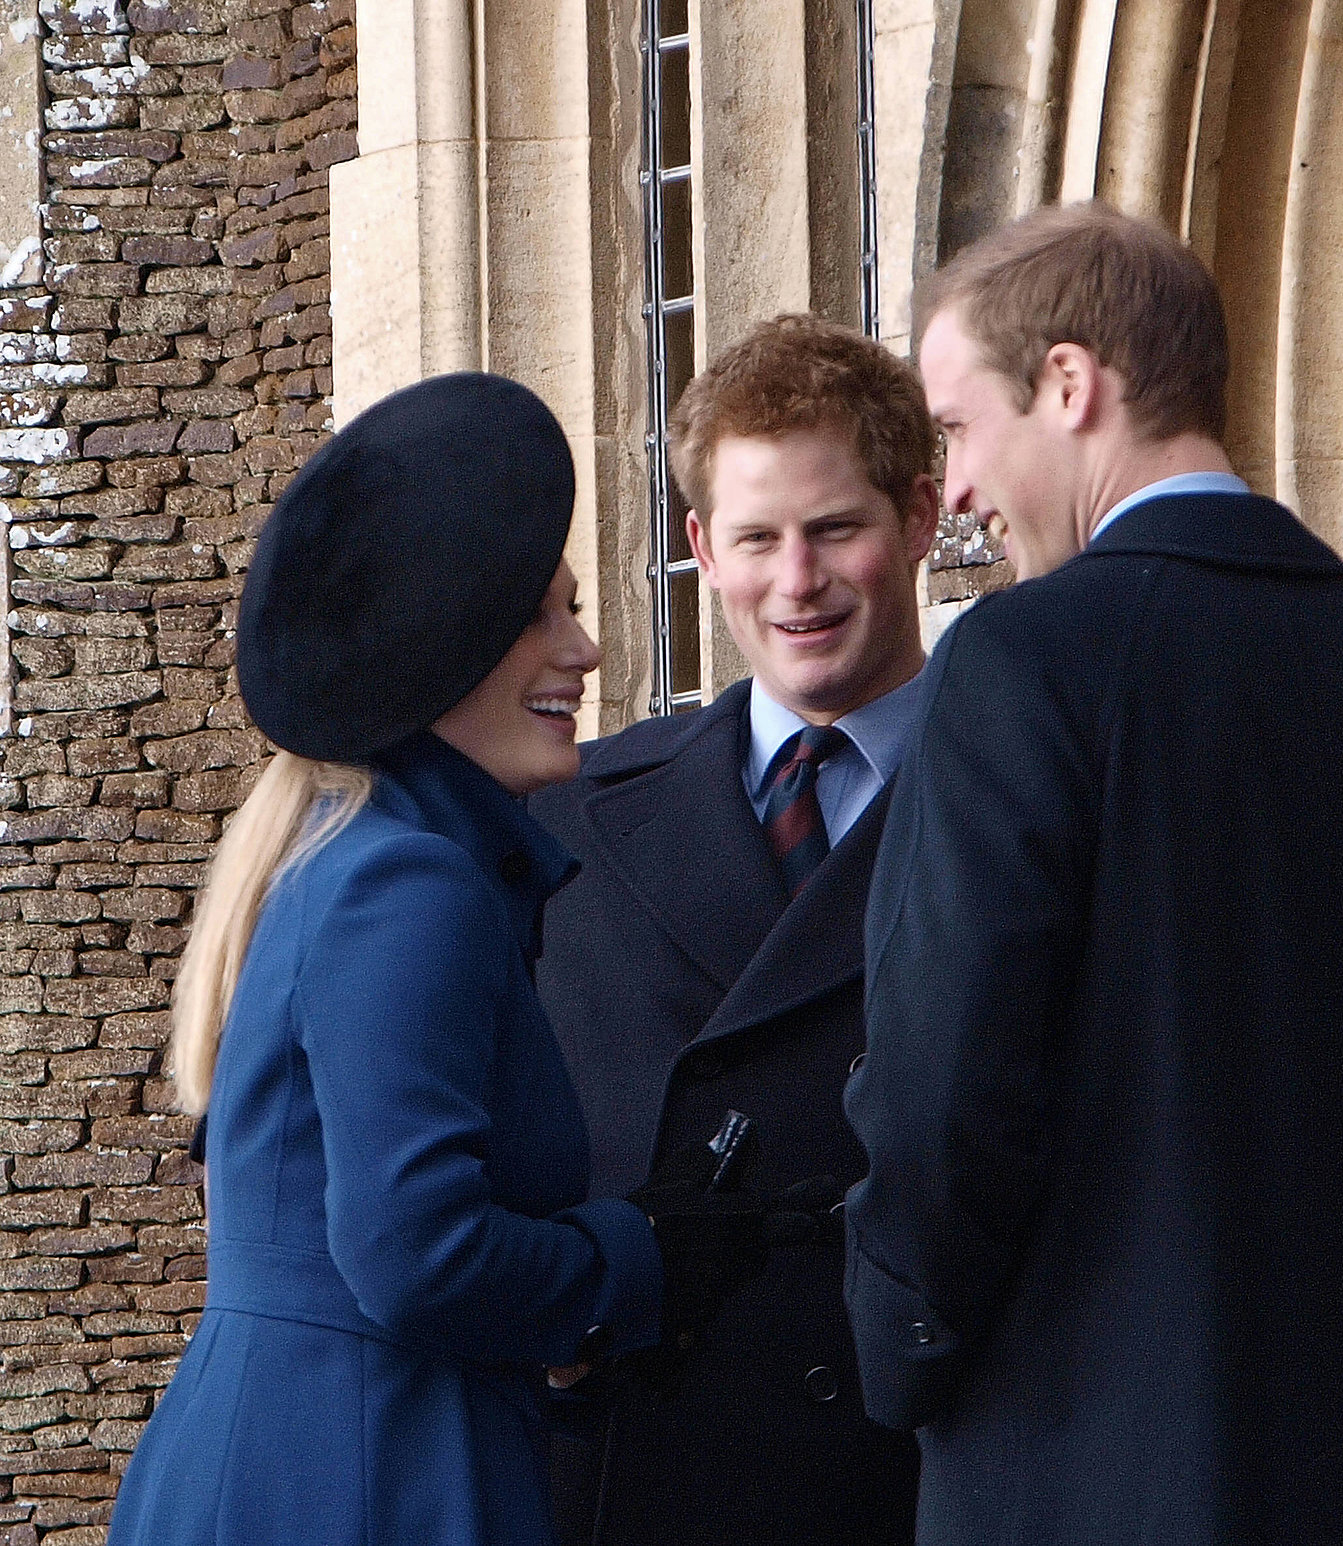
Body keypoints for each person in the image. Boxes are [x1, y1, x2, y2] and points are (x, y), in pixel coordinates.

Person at [842, 203, 1343, 1545]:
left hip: (1070, 1472)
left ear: (1071, 384)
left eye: (959, 429)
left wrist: (907, 1353)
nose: (952, 489)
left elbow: (943, 1090)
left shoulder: (1023, 664)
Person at [109, 374, 693, 1546]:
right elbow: (415, 1254)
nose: (582, 649)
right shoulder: (408, 882)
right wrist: (641, 1254)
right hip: (361, 1477)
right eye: (541, 614)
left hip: (324, 1454)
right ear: (446, 643)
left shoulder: (375, 857)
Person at [532, 315, 933, 1545]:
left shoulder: (1033, 802)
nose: (794, 582)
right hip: (637, 1473)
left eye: (834, 530)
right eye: (756, 537)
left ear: (919, 517)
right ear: (702, 547)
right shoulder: (568, 817)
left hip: (920, 1474)